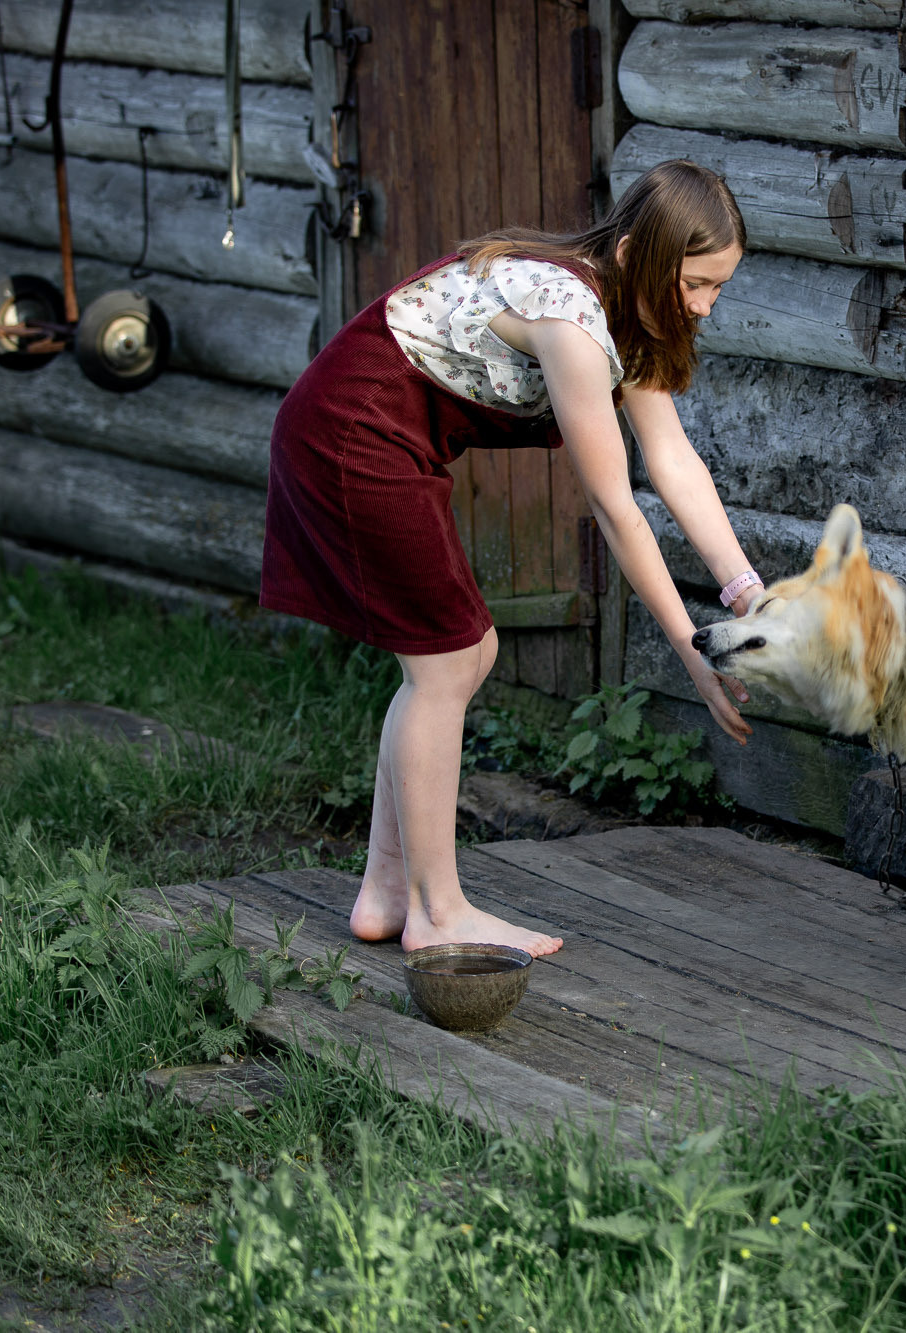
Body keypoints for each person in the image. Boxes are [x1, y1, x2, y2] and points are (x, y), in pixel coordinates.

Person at [259, 160, 764, 959]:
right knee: (450, 661)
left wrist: (746, 595)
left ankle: (389, 891)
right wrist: (691, 650)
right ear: (637, 255)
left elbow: (673, 460)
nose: (703, 305)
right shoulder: (570, 317)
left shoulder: (626, 314)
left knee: (457, 656)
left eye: (718, 289)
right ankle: (438, 910)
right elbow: (614, 505)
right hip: (350, 431)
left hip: (376, 433)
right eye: (694, 283)